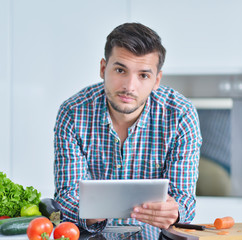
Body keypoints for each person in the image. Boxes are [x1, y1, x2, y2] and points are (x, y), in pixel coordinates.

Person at [54, 22, 202, 238]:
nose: (129, 86)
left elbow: (185, 200)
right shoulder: (73, 113)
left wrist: (175, 211)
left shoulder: (180, 115)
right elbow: (66, 196)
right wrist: (87, 211)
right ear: (103, 68)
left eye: (143, 75)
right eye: (120, 70)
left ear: (156, 80)